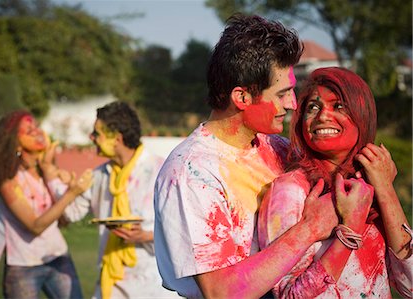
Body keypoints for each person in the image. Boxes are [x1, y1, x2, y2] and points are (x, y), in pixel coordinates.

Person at [153, 13, 374, 298]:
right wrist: (309, 229)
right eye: (282, 93)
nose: (293, 103)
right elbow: (222, 293)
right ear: (242, 98)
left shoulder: (278, 148)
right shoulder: (191, 174)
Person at [258, 67, 413, 298]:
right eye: (313, 107)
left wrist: (385, 189)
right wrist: (350, 229)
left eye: (338, 106)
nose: (322, 116)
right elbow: (290, 295)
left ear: (363, 115)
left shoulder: (369, 185)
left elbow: (409, 286)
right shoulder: (291, 191)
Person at [62, 101, 176, 299]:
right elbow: (70, 214)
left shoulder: (161, 170)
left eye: (97, 133)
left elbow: (181, 230)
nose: (91, 138)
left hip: (151, 285)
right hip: (111, 286)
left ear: (117, 138)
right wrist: (63, 186)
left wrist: (145, 236)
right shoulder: (99, 176)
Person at [0, 110, 93, 299]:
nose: (37, 131)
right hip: (23, 265)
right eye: (29, 130)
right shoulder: (7, 181)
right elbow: (35, 226)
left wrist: (57, 178)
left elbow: (64, 218)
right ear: (14, 141)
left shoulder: (44, 172)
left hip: (58, 257)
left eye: (37, 127)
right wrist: (71, 193)